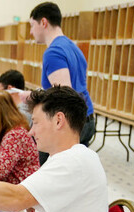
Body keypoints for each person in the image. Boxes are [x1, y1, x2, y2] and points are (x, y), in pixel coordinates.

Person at [29, 1, 95, 148]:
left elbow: (64, 95)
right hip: (86, 117)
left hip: (72, 123)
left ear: (44, 22)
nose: (31, 32)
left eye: (32, 25)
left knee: (48, 167)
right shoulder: (72, 46)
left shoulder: (53, 52)